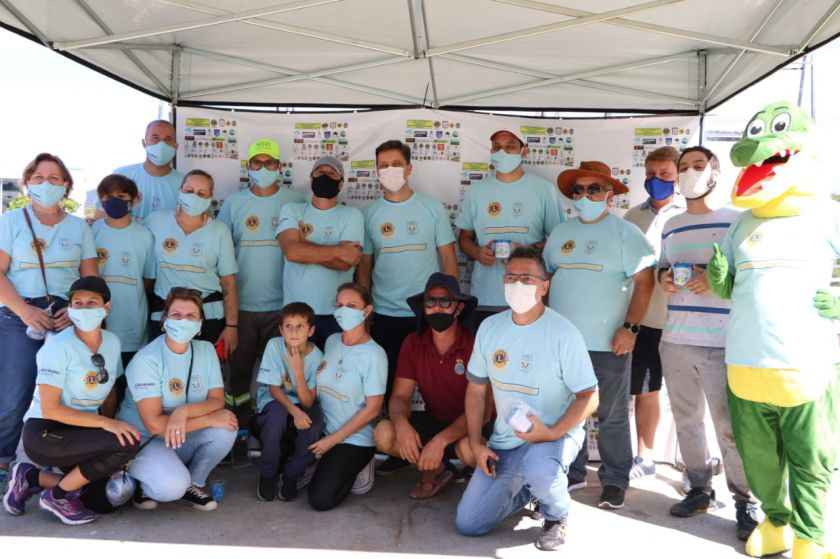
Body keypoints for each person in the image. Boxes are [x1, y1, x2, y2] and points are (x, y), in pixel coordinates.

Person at [455, 247, 599, 552]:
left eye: (526, 278)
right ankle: (532, 491)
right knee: (469, 524)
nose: (517, 284)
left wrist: (552, 432)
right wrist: (476, 442)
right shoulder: (490, 328)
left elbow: (590, 396)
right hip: (505, 442)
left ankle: (556, 515)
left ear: (544, 286)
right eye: (511, 277)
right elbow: (476, 389)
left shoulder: (564, 334)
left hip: (552, 437)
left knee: (540, 469)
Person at [657, 146, 757, 540]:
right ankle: (699, 488)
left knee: (729, 426)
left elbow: (750, 276)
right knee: (686, 420)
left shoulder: (738, 220)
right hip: (675, 339)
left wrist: (716, 280)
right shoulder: (671, 224)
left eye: (699, 166)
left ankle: (745, 501)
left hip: (722, 342)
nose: (690, 172)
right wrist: (666, 279)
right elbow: (663, 267)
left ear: (716, 172)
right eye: (684, 167)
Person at [544, 161, 656, 509]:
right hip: (562, 345)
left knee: (612, 415)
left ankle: (615, 478)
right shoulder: (560, 233)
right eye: (578, 189)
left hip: (609, 344)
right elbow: (546, 280)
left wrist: (631, 328)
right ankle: (573, 472)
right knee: (567, 412)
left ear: (609, 195)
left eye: (593, 189)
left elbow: (645, 282)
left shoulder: (625, 233)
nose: (584, 195)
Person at [3, 277, 139, 525]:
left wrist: (110, 424)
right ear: (70, 308)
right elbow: (50, 409)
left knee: (101, 500)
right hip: (46, 433)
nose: (84, 308)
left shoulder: (112, 341)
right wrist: (106, 425)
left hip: (82, 431)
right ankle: (56, 497)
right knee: (127, 443)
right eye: (78, 303)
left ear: (106, 307)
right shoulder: (57, 347)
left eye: (92, 302)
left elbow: (109, 389)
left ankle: (29, 477)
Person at [0, 153, 98, 486]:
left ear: (66, 185)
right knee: (14, 396)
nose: (46, 183)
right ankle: (4, 463)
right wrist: (23, 310)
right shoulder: (11, 221)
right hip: (19, 315)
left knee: (69, 394)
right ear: (27, 184)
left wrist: (76, 310)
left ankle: (61, 461)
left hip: (65, 316)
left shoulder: (79, 227)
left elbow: (90, 277)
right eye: (38, 177)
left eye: (54, 178)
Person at [116, 287, 238, 511]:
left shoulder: (206, 350)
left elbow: (217, 400)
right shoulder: (147, 359)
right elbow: (153, 424)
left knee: (227, 425)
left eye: (191, 316)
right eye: (176, 315)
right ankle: (144, 479)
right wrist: (208, 420)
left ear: (200, 324)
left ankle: (193, 483)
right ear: (164, 321)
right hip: (145, 439)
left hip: (181, 434)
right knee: (171, 488)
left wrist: (183, 411)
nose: (183, 321)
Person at [373, 272, 489, 499]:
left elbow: (483, 411)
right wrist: (401, 424)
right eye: (430, 301)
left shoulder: (476, 343)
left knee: (467, 448)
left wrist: (440, 441)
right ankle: (439, 468)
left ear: (459, 308)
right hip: (434, 421)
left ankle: (493, 484)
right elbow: (400, 396)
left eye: (445, 301)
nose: (437, 307)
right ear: (423, 307)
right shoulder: (413, 342)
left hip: (473, 426)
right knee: (384, 433)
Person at [358, 140, 458, 399]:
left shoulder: (432, 208)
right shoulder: (369, 214)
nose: (389, 170)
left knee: (436, 381)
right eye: (383, 165)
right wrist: (364, 313)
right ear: (376, 171)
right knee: (388, 384)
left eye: (396, 164)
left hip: (428, 312)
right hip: (385, 314)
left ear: (409, 168)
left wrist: (452, 306)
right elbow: (365, 267)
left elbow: (448, 258)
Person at [218, 138, 305, 426]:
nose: (263, 168)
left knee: (279, 378)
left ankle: (273, 432)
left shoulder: (295, 201)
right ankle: (239, 430)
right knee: (238, 377)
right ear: (248, 166)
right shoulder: (235, 202)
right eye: (257, 162)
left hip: (283, 309)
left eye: (270, 163)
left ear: (280, 167)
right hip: (241, 308)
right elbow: (220, 251)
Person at [455, 130, 564, 328]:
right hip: (486, 297)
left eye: (510, 146)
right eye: (497, 147)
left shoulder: (543, 190)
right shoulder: (477, 191)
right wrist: (478, 253)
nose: (502, 152)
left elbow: (559, 241)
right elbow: (464, 238)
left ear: (524, 152)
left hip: (529, 297)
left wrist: (529, 251)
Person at [622, 146, 685, 477]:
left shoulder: (691, 213)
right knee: (646, 390)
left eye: (664, 174)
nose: (656, 180)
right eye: (650, 174)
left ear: (678, 176)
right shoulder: (632, 216)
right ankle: (644, 458)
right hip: (645, 319)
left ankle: (693, 467)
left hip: (686, 322)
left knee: (689, 398)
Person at [307, 283, 386, 511]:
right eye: (339, 305)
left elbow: (373, 409)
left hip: (353, 438)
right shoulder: (331, 341)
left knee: (320, 500)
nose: (343, 311)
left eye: (351, 306)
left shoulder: (374, 354)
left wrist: (332, 441)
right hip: (323, 429)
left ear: (366, 311)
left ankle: (361, 465)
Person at [144, 170, 239, 359]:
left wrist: (231, 326)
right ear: (180, 190)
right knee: (163, 368)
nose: (194, 196)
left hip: (208, 316)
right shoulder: (156, 221)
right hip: (166, 315)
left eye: (201, 193)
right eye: (189, 190)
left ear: (210, 197)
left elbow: (229, 283)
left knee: (204, 370)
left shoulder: (220, 231)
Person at [277, 156, 364, 349]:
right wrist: (338, 250)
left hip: (338, 313)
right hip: (296, 315)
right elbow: (292, 252)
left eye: (332, 173)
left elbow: (345, 263)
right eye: (320, 172)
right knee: (297, 367)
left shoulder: (352, 215)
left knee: (333, 368)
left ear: (341, 183)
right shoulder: (292, 210)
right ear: (311, 178)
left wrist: (304, 245)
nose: (325, 176)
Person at [254, 302, 324, 502]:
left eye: (300, 326)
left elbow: (308, 402)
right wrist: (294, 411)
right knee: (276, 417)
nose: (293, 332)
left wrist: (298, 370)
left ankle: (292, 474)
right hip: (275, 400)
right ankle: (267, 473)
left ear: (311, 330)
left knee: (314, 425)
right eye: (288, 326)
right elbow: (274, 389)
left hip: (302, 401)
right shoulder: (275, 346)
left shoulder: (318, 357)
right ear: (281, 329)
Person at [92, 174, 155, 367]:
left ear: (134, 200)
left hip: (132, 324)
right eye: (108, 197)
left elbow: (148, 280)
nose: (114, 201)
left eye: (121, 196)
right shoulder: (91, 232)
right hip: (97, 324)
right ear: (100, 200)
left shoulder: (145, 235)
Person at [112, 120, 184, 221]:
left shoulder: (186, 185)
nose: (161, 145)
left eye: (168, 139)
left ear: (176, 146)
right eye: (155, 138)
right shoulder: (120, 176)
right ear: (144, 143)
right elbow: (101, 218)